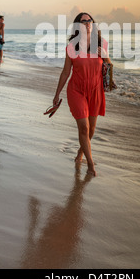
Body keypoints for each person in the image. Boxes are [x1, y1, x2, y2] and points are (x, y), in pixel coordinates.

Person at [53, 12, 112, 177]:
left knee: (91, 129)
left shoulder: (101, 44)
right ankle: (91, 164)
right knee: (84, 128)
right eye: (83, 21)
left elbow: (109, 70)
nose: (87, 23)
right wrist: (57, 94)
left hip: (95, 91)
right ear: (78, 25)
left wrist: (106, 57)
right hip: (77, 90)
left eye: (89, 20)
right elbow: (65, 72)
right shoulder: (72, 47)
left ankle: (80, 152)